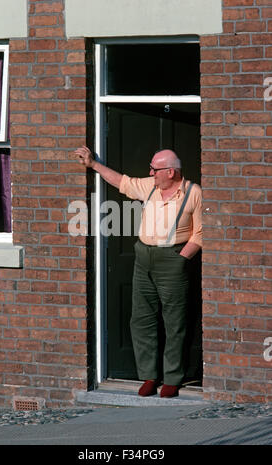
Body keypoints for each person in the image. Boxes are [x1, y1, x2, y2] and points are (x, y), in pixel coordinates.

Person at [75, 145, 202, 398]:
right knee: (142, 320)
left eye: (155, 169)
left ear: (171, 172)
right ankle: (149, 376)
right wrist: (93, 164)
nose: (150, 172)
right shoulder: (151, 186)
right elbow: (123, 182)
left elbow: (200, 232)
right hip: (144, 257)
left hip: (173, 259)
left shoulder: (194, 193)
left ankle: (173, 378)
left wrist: (181, 258)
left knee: (174, 321)